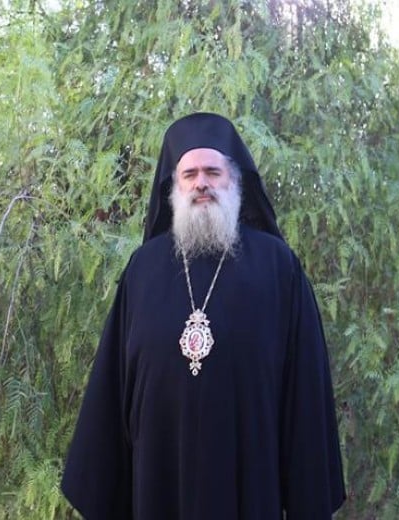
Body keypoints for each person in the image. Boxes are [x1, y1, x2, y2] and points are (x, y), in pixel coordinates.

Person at [61, 112, 346, 519]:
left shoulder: (278, 267)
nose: (201, 183)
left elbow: (305, 391)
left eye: (213, 172)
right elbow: (112, 386)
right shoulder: (143, 270)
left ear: (234, 181)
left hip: (249, 478)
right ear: (174, 187)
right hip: (158, 479)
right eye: (189, 174)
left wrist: (306, 498)